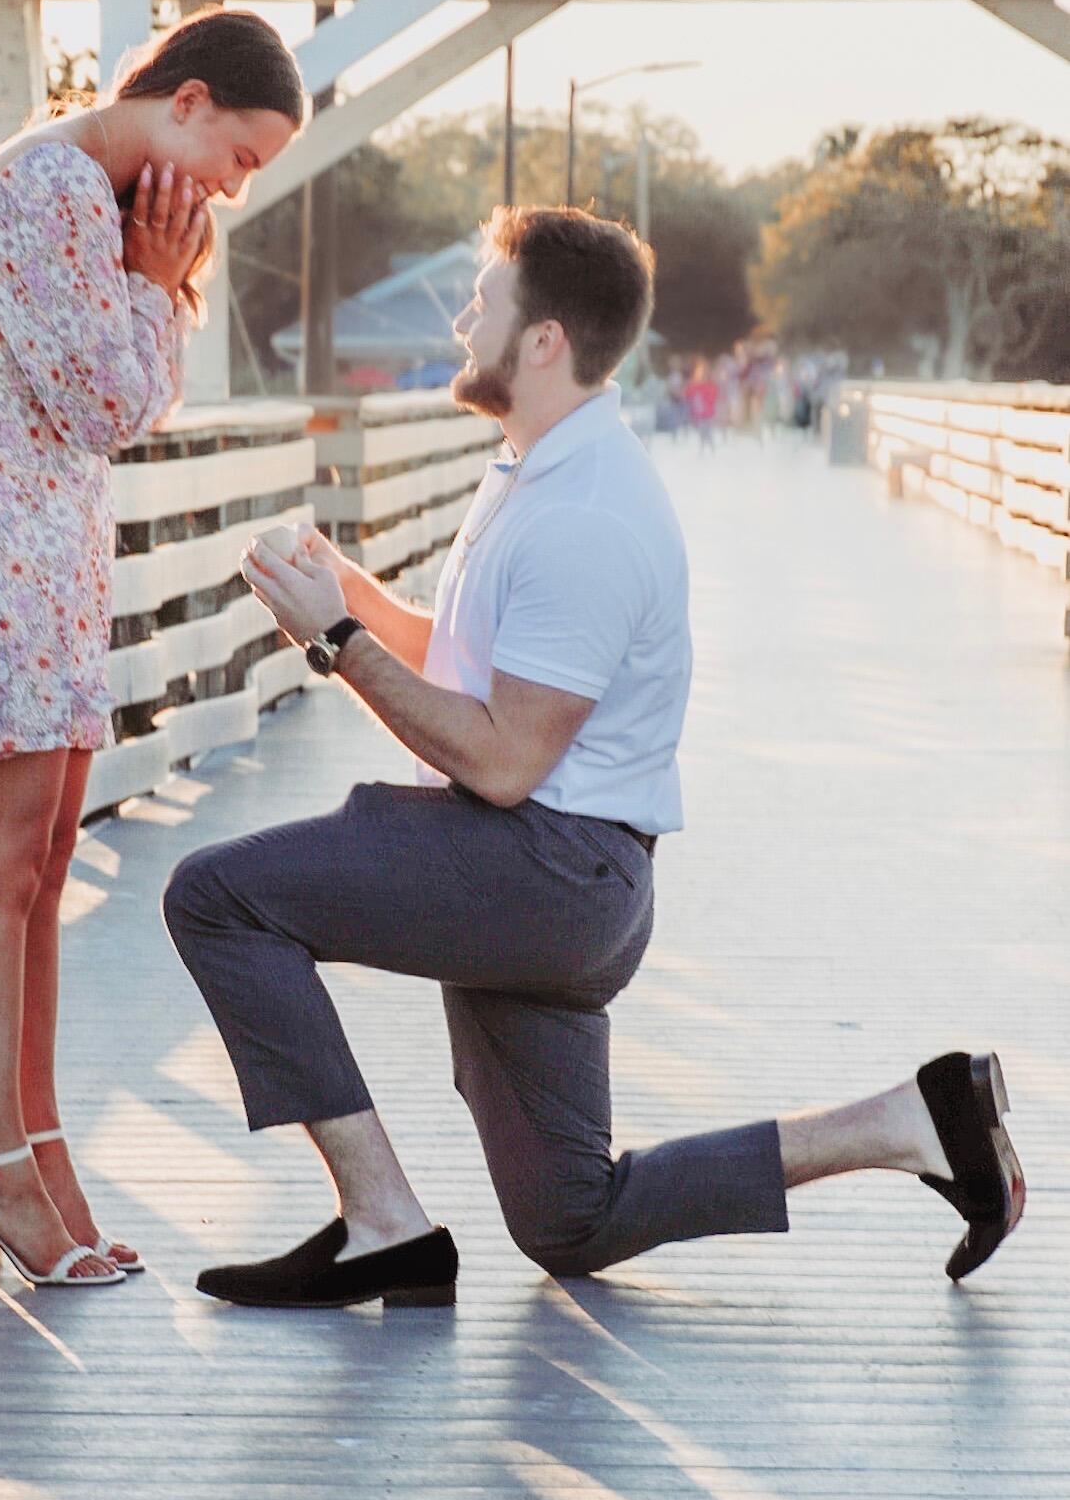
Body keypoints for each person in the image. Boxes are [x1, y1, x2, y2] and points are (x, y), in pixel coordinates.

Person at [162, 204, 1023, 1310]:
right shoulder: (533, 470)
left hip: (543, 868)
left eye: (485, 299)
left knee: (218, 897)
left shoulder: (588, 513)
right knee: (572, 1220)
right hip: (555, 873)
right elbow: (476, 669)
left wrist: (333, 644)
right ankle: (914, 1118)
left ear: (543, 340)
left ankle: (382, 1221)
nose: (464, 314)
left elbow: (505, 758)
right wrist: (349, 599)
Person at [0, 8, 303, 1286]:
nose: (228, 187)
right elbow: (105, 401)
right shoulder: (51, 186)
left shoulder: (104, 201)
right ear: (190, 98)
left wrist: (153, 283)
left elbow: (138, 407)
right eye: (240, 156)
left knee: (35, 872)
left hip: (44, 557)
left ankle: (38, 1157)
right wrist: (154, 286)